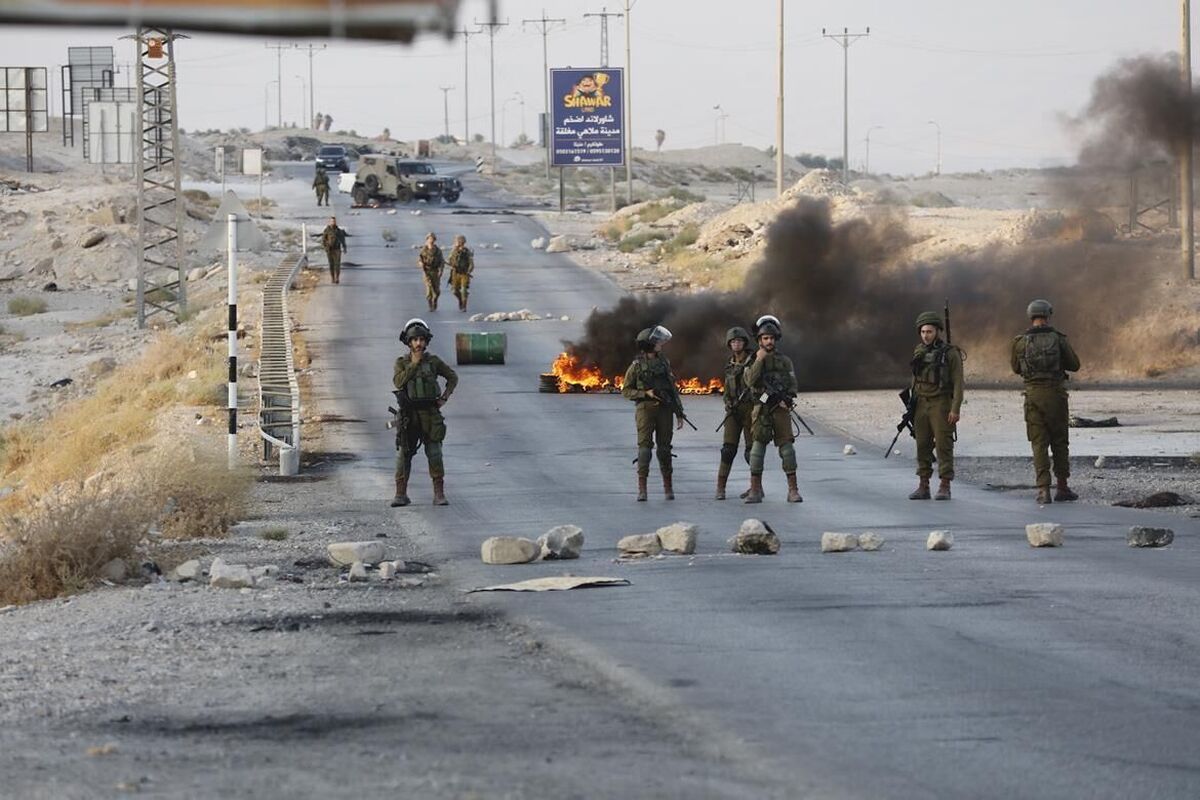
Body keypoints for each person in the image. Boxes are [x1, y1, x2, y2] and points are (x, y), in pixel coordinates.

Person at [1011, 299, 1081, 504]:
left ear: (1030, 316)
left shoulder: (1020, 341)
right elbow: (1074, 365)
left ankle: (1043, 490)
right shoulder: (1058, 339)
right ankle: (1062, 487)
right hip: (1056, 396)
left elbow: (1016, 368)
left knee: (1038, 443)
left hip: (1033, 397)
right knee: (1060, 442)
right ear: (1048, 315)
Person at [391, 318, 458, 507]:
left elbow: (452, 377)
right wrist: (414, 364)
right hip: (409, 416)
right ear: (408, 342)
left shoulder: (434, 362)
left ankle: (439, 493)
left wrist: (444, 398)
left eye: (421, 339)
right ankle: (400, 494)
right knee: (404, 453)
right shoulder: (401, 363)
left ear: (426, 341)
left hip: (430, 414)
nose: (418, 343)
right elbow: (398, 382)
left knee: (434, 452)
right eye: (414, 340)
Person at [621, 325, 685, 501]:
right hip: (645, 409)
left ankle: (668, 487)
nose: (660, 345)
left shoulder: (664, 362)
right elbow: (626, 390)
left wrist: (679, 412)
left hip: (665, 410)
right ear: (648, 344)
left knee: (664, 449)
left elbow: (672, 389)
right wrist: (644, 394)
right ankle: (642, 489)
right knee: (644, 449)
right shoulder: (636, 366)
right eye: (657, 342)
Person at [908, 311, 964, 501]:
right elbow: (914, 380)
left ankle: (945, 485)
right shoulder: (919, 351)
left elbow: (958, 382)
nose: (926, 335)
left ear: (937, 331)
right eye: (923, 332)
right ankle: (923, 486)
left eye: (929, 331)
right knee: (922, 445)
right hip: (921, 403)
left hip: (941, 404)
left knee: (943, 445)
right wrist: (911, 406)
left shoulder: (950, 353)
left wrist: (955, 408)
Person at [744, 315, 801, 504]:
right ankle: (755, 489)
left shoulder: (784, 361)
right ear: (759, 340)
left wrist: (788, 399)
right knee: (757, 449)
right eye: (765, 338)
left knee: (787, 449)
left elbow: (792, 384)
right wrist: (759, 361)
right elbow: (751, 382)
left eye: (771, 338)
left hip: (780, 409)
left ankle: (793, 490)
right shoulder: (753, 360)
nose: (769, 341)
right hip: (762, 408)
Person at [715, 326, 755, 500]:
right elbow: (726, 390)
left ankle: (755, 487)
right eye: (733, 341)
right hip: (733, 411)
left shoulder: (754, 362)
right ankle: (720, 488)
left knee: (752, 452)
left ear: (745, 343)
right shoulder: (730, 364)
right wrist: (727, 403)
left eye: (739, 341)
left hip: (751, 410)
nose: (736, 344)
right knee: (728, 450)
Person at [446, 234, 475, 312]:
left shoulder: (467, 251)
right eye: (456, 241)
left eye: (459, 241)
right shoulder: (453, 251)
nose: (457, 242)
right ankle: (460, 300)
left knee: (464, 290)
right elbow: (449, 260)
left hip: (464, 274)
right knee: (455, 291)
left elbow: (471, 263)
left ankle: (464, 305)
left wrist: (468, 271)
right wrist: (451, 265)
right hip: (455, 273)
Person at [418, 232, 445, 311]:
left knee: (436, 290)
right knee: (429, 288)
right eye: (429, 239)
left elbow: (441, 261)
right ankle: (430, 304)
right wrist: (421, 264)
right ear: (427, 240)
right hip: (427, 271)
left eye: (432, 239)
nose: (431, 240)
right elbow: (420, 260)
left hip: (435, 272)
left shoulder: (438, 251)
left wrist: (441, 270)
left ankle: (435, 300)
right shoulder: (424, 250)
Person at [321, 216, 347, 284]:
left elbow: (342, 240)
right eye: (332, 221)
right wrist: (326, 248)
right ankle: (332, 278)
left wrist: (344, 248)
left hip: (337, 249)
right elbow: (323, 240)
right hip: (330, 250)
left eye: (334, 221)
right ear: (330, 222)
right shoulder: (327, 230)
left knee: (337, 264)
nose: (333, 222)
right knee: (331, 264)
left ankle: (337, 278)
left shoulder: (339, 230)